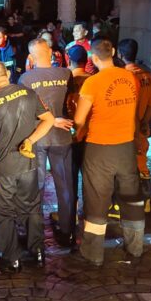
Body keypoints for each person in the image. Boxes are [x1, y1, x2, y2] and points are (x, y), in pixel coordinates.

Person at [73, 39, 143, 266]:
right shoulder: (131, 77)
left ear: (93, 58)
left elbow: (79, 119)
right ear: (112, 52)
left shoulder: (92, 83)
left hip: (99, 148)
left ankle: (93, 252)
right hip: (126, 146)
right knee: (131, 198)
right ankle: (135, 247)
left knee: (96, 198)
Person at [0, 61, 55, 272]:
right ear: (7, 73)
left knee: (3, 213)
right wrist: (30, 140)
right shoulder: (28, 93)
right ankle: (38, 250)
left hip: (1, 166)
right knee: (31, 206)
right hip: (27, 162)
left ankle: (12, 258)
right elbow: (48, 120)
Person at [18, 38, 76, 247]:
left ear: (31, 57)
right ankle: (68, 232)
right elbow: (72, 104)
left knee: (35, 187)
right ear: (50, 52)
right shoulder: (65, 74)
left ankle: (34, 235)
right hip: (62, 136)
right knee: (66, 186)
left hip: (37, 137)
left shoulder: (25, 78)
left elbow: (24, 113)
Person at [117, 38, 151, 212]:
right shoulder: (146, 76)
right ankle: (146, 201)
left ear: (119, 54)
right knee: (142, 163)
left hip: (125, 130)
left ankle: (128, 202)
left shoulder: (121, 77)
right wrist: (144, 121)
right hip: (140, 128)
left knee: (124, 166)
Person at [65, 44, 91, 210]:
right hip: (91, 134)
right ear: (86, 61)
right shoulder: (93, 80)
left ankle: (71, 211)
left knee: (71, 175)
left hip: (70, 134)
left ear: (69, 60)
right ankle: (90, 209)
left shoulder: (66, 81)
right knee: (89, 175)